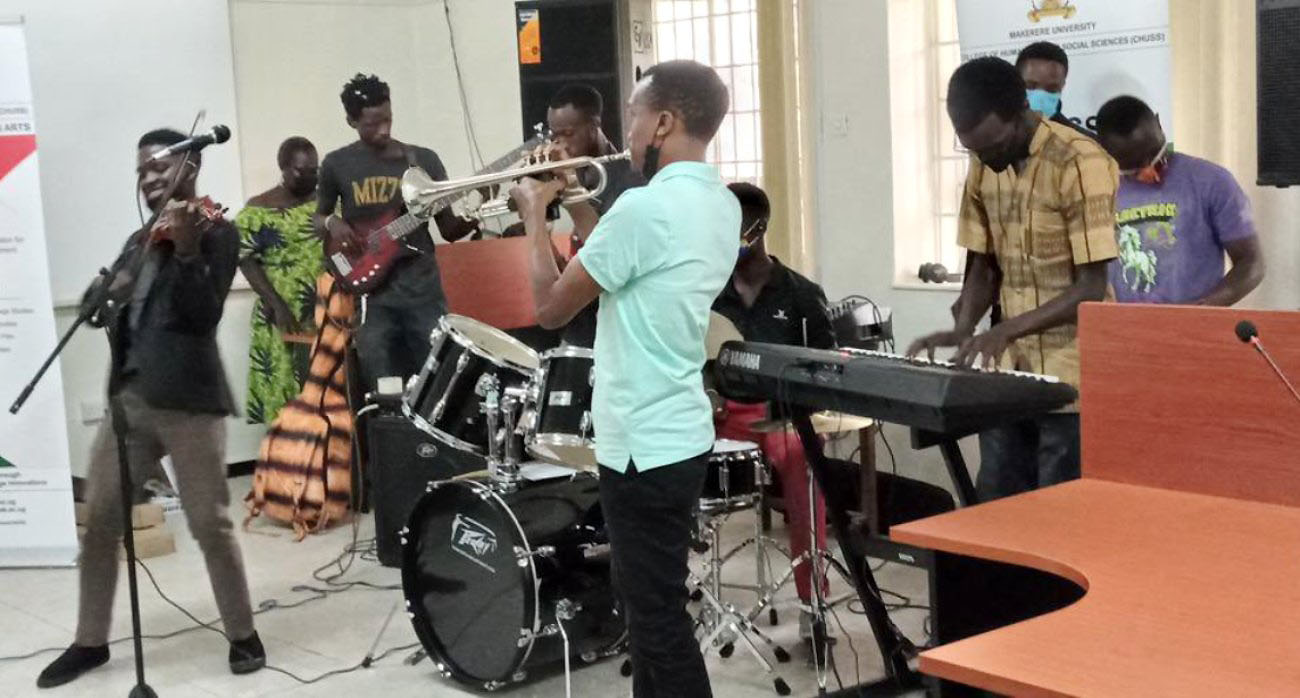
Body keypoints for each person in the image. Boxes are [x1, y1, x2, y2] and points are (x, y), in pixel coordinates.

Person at [511, 59, 736, 698]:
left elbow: (552, 308)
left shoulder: (645, 207)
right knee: (647, 604)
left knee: (656, 618)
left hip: (640, 442)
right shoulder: (715, 201)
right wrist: (574, 196)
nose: (628, 132)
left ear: (663, 121)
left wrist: (535, 213)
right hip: (680, 433)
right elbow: (620, 249)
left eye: (635, 116)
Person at [38, 129, 263, 689]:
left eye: (160, 166)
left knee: (210, 523)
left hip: (189, 400)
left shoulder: (217, 233)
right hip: (130, 399)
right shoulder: (138, 240)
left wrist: (186, 250)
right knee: (100, 522)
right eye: (142, 170)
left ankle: (243, 634)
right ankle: (90, 642)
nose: (150, 177)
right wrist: (100, 295)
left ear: (191, 167)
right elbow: (104, 315)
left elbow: (203, 314)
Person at [908, 57, 1119, 501]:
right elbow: (984, 264)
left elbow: (1091, 286)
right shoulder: (984, 162)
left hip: (1073, 378)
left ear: (1021, 110)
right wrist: (964, 326)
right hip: (1008, 374)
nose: (985, 158)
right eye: (973, 149)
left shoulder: (1080, 161)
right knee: (999, 508)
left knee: (1060, 515)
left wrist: (1005, 328)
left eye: (992, 145)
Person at [710, 182, 835, 643]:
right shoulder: (705, 293)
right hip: (723, 418)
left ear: (756, 230)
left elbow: (828, 367)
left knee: (806, 471)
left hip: (784, 418)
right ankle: (684, 597)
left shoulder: (802, 295)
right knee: (665, 462)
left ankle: (813, 602)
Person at [314, 73, 477, 390]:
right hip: (373, 299)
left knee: (437, 382)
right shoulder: (337, 164)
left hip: (423, 292)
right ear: (351, 121)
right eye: (372, 124)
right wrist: (335, 223)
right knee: (382, 387)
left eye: (387, 120)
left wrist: (478, 213)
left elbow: (450, 229)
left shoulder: (422, 160)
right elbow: (318, 218)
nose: (384, 130)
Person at [1095, 95, 1265, 305]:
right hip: (1121, 329)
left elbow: (1251, 262)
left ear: (1158, 123)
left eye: (1152, 152)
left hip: (1197, 327)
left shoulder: (1212, 181)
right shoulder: (1096, 192)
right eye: (1135, 164)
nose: (1149, 167)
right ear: (1105, 151)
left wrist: (1206, 307)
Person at [544, 83, 645, 347]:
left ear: (594, 126)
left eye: (568, 134)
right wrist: (540, 225)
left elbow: (608, 249)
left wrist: (572, 197)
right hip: (579, 325)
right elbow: (566, 269)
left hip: (617, 329)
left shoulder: (631, 179)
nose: (560, 145)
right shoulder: (574, 173)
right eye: (555, 136)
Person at [237, 136, 323, 424]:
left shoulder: (325, 204)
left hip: (325, 309)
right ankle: (287, 462)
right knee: (286, 395)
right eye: (302, 171)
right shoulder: (259, 208)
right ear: (283, 168)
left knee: (325, 394)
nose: (311, 177)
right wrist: (275, 303)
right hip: (282, 313)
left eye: (315, 170)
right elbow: (244, 257)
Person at [1015, 41, 1093, 138]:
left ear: (1062, 86)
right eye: (1031, 86)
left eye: (1051, 89)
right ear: (1016, 81)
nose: (1040, 95)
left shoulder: (1085, 144)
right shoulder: (995, 138)